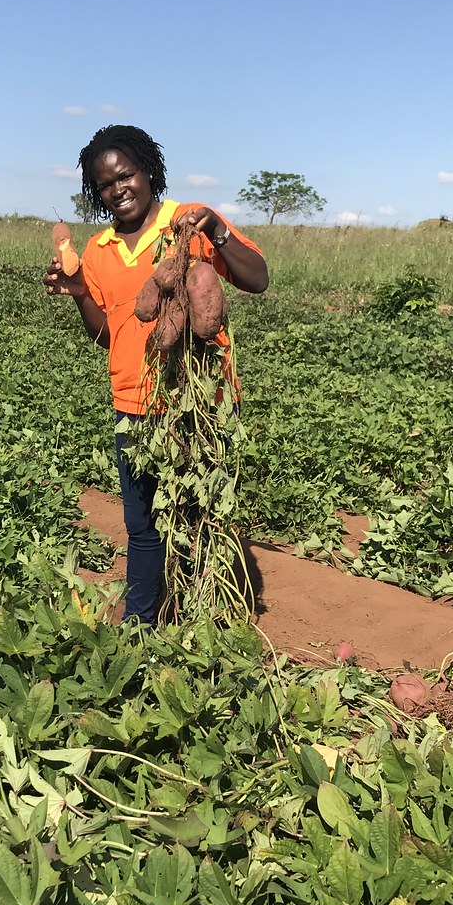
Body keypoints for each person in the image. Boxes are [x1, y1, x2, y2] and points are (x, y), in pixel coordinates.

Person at [44, 125, 268, 626]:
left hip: (198, 402)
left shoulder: (189, 219)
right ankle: (142, 622)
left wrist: (218, 233)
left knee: (202, 513)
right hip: (134, 402)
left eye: (125, 175)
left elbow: (258, 278)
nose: (118, 189)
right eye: (104, 184)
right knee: (142, 523)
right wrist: (81, 291)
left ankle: (206, 615)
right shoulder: (100, 249)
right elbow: (108, 334)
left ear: (149, 172)